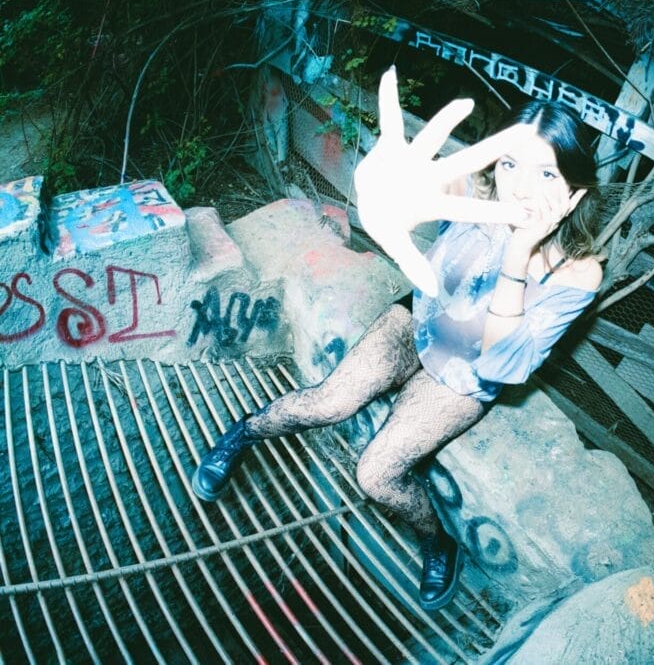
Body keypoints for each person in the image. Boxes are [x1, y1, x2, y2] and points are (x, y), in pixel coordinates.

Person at [191, 68, 603, 610]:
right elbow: (405, 194)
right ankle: (242, 434)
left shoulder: (577, 272)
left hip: (467, 374)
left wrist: (518, 253)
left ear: (573, 197)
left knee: (376, 474)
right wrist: (380, 195)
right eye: (509, 163)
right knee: (328, 401)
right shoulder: (473, 192)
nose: (521, 187)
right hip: (420, 319)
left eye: (546, 175)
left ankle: (438, 544)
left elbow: (504, 364)